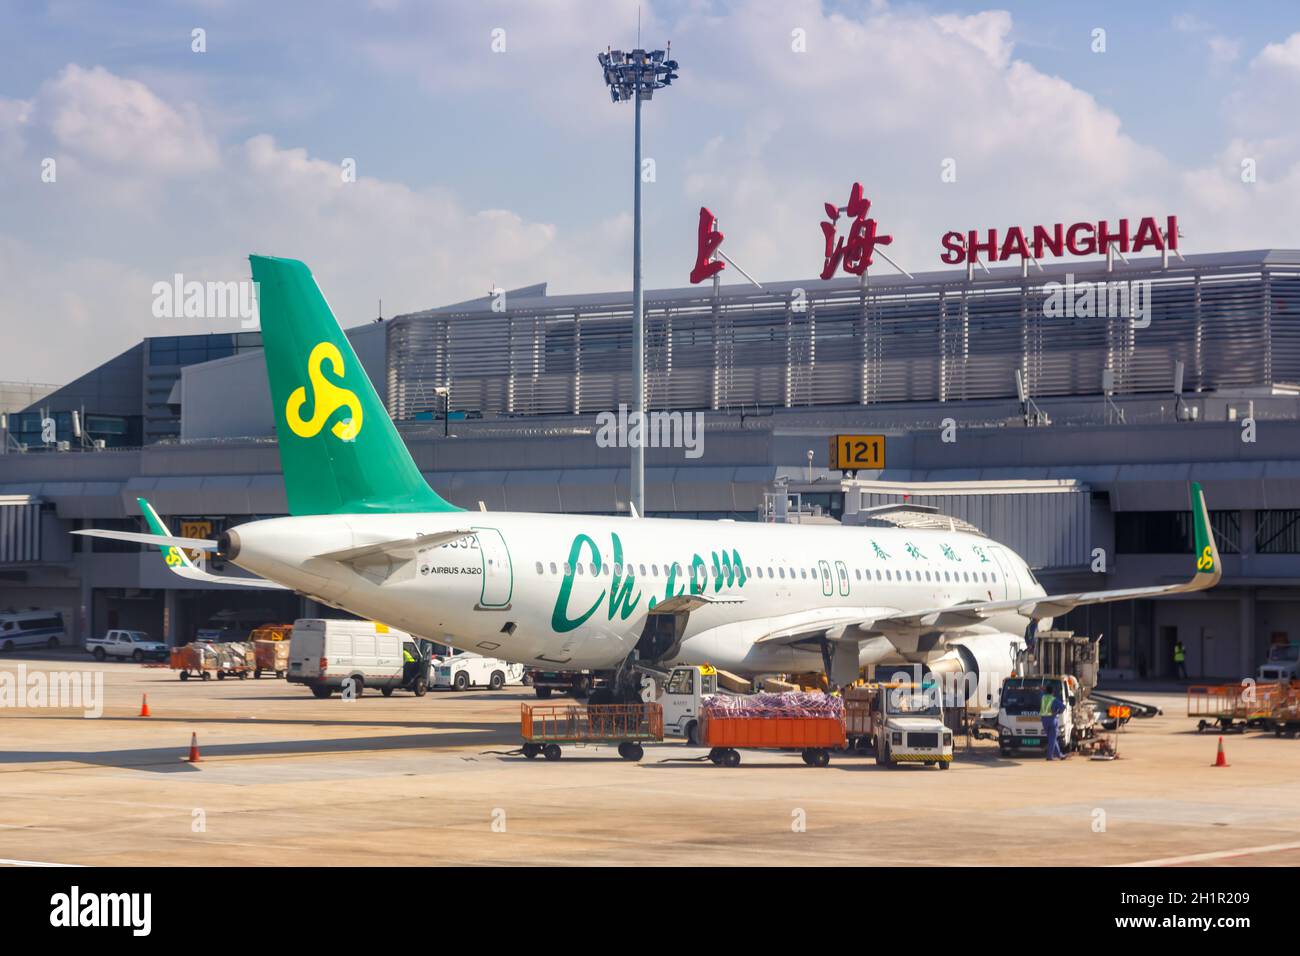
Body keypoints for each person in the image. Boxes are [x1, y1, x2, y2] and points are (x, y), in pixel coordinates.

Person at [1041, 685, 1066, 760]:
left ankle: (1059, 755)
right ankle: (1049, 756)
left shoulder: (1043, 698)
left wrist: (1041, 689)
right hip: (1052, 719)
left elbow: (1041, 693)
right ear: (1053, 692)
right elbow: (1063, 707)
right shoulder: (1053, 699)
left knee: (1052, 738)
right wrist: (1058, 712)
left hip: (1044, 720)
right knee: (1052, 739)